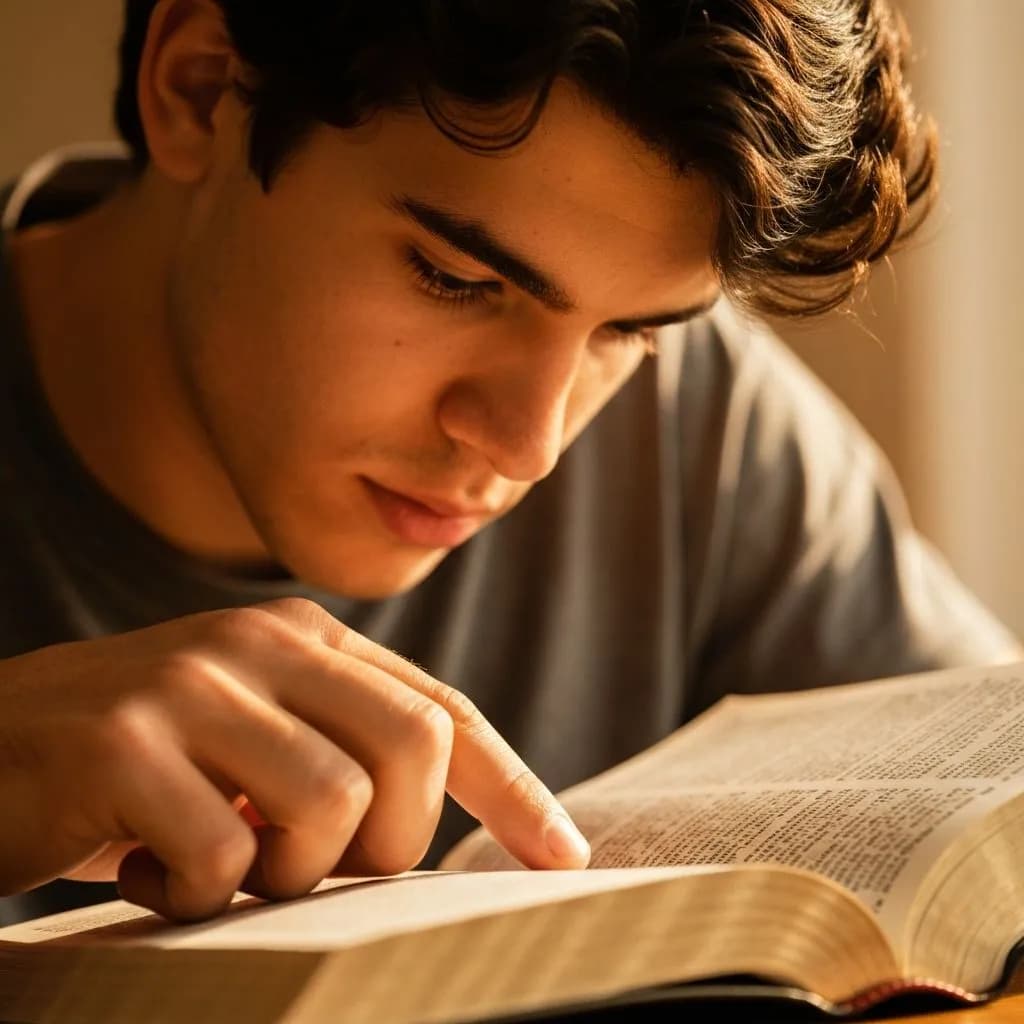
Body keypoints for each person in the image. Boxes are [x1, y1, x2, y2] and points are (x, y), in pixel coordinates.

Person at [0, 0, 1019, 927]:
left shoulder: (702, 421)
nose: (530, 445)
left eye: (630, 332)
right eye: (454, 278)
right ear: (203, 86)